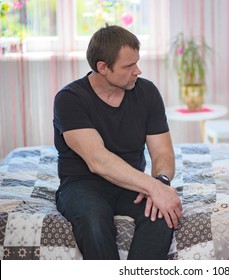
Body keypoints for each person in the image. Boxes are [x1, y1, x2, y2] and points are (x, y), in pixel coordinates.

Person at [53, 25, 182, 260]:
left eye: (137, 62)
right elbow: (97, 160)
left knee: (162, 213)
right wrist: (151, 187)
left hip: (129, 183)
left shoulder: (147, 93)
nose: (138, 71)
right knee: (94, 219)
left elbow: (162, 151)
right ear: (102, 67)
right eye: (129, 66)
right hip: (82, 184)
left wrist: (161, 182)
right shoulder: (69, 99)